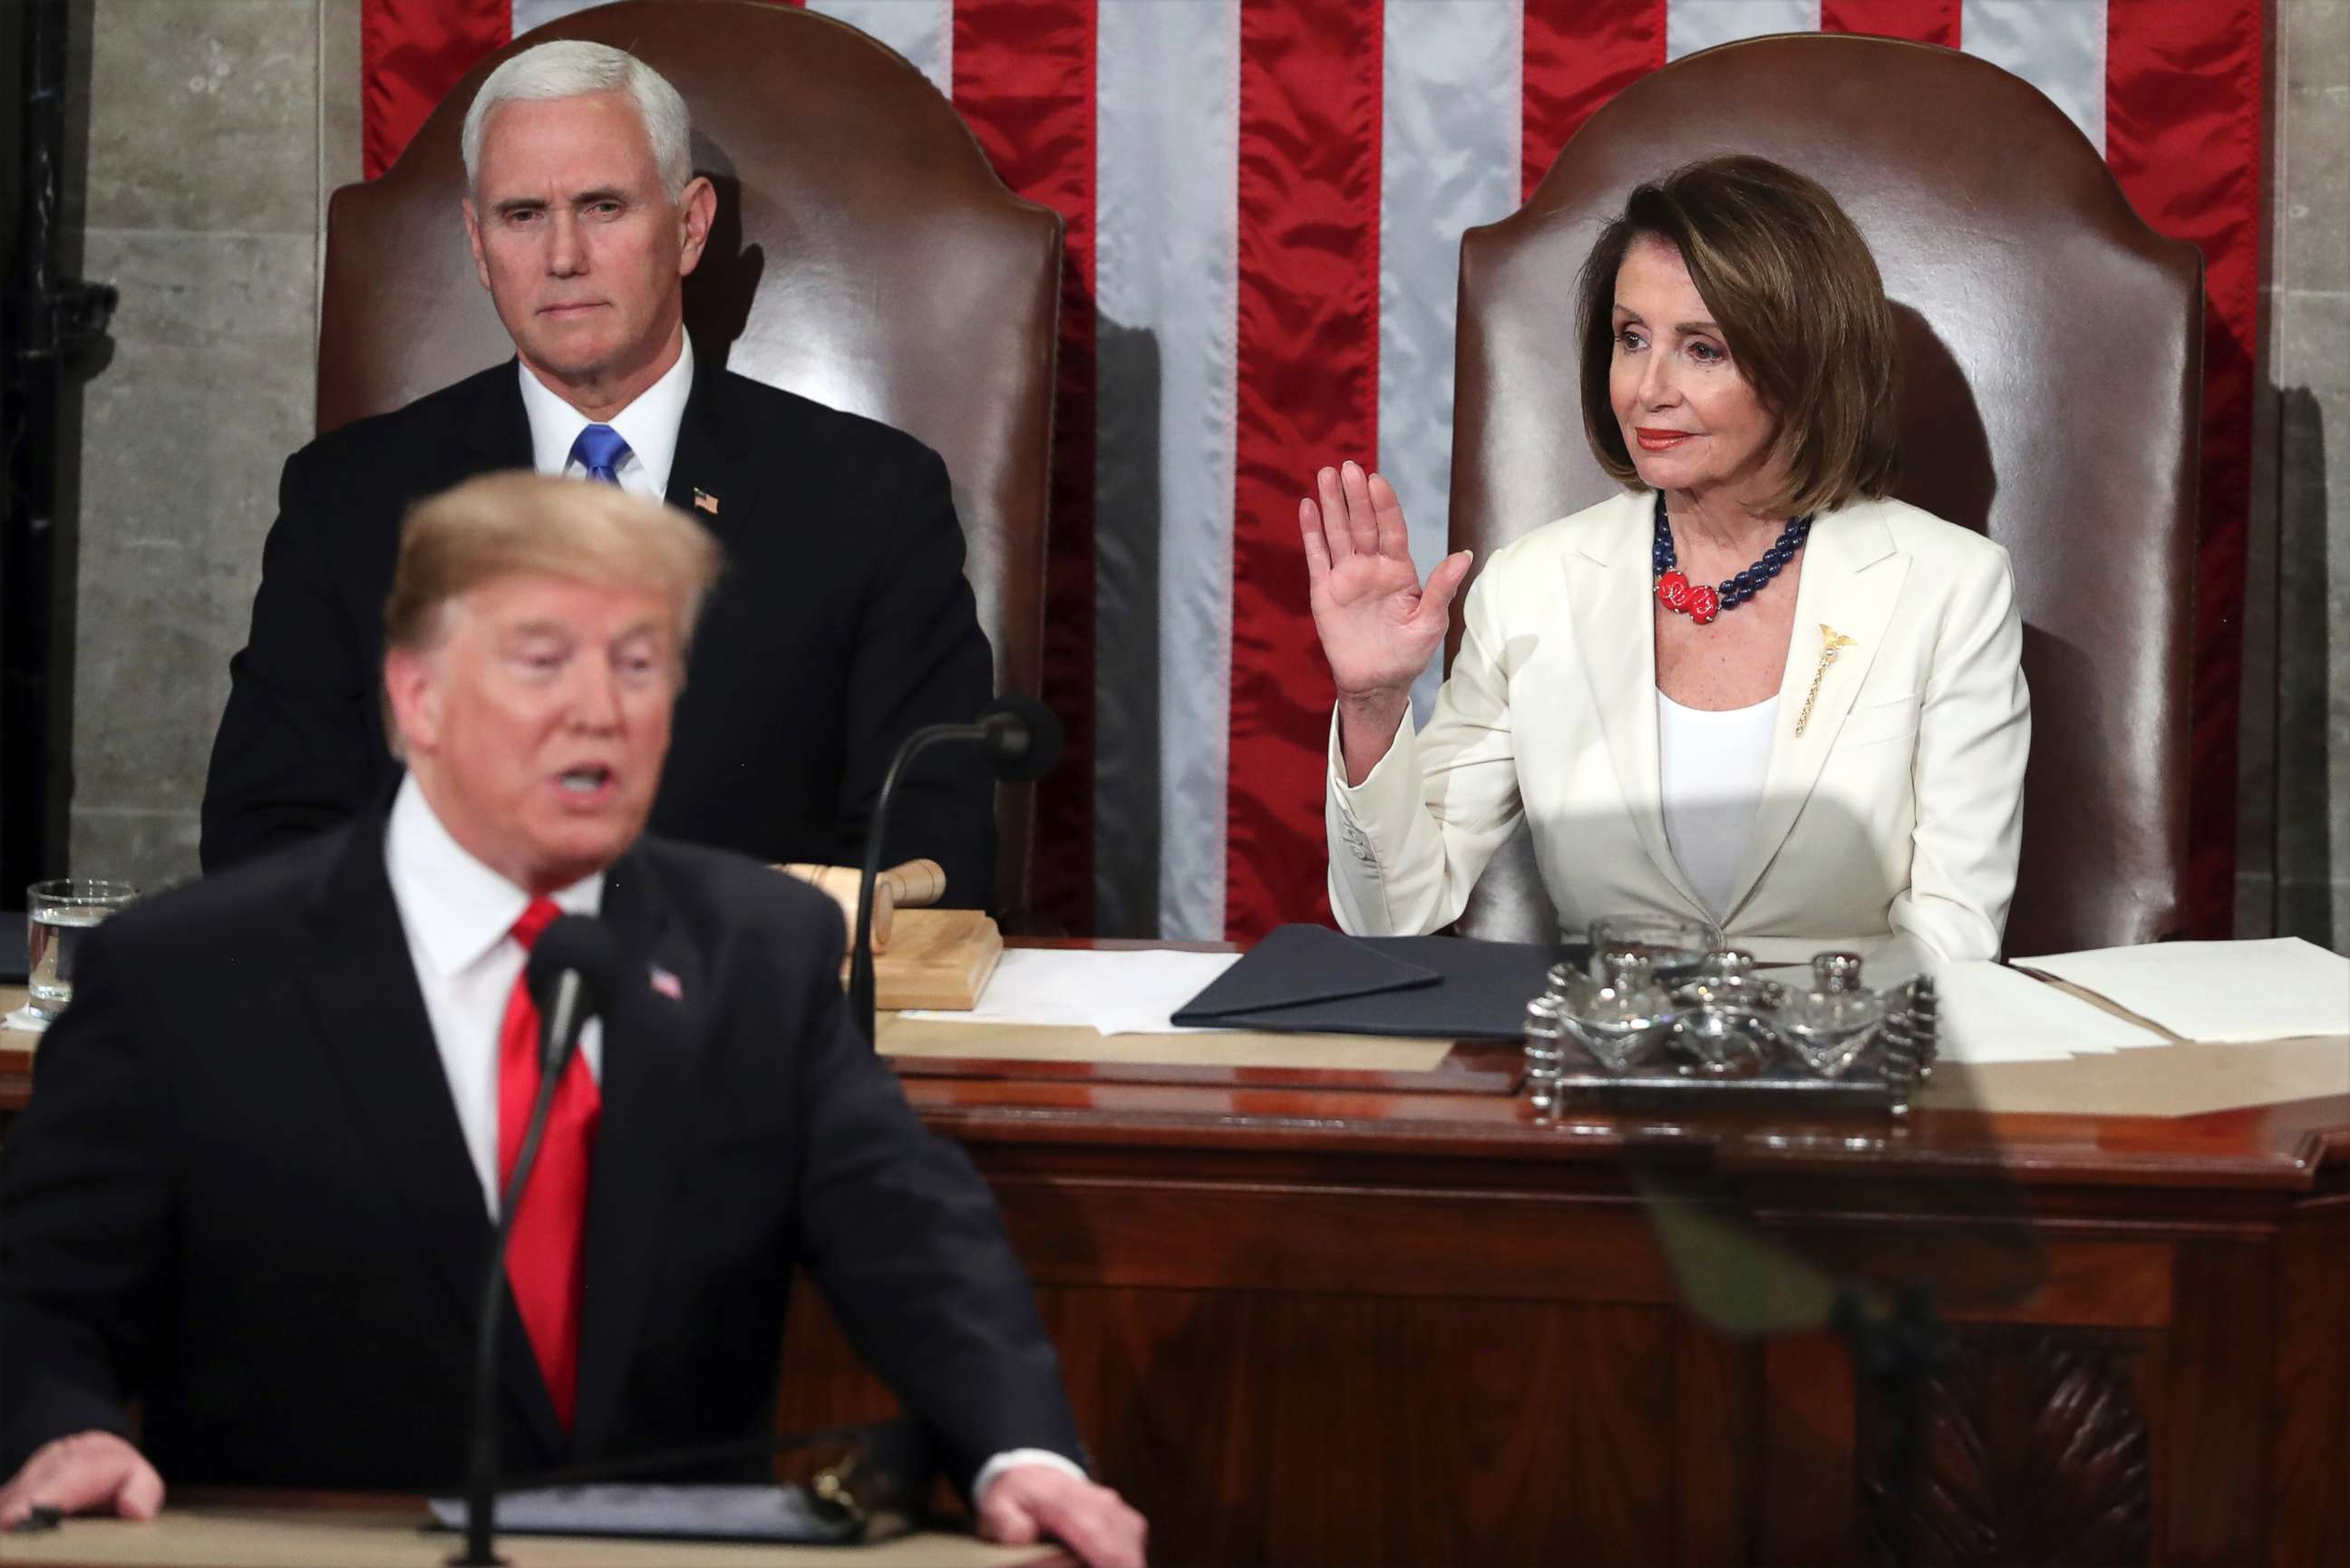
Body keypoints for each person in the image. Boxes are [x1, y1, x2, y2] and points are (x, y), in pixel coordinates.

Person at [0, 475, 1145, 1568]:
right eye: (543, 661)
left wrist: (1020, 1446)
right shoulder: (187, 978)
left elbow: (912, 1236)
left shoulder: (760, 950)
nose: (600, 709)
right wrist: (59, 1428)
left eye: (640, 665)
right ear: (416, 694)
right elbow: (37, 1297)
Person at [199, 40, 998, 906]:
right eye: (521, 215)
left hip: (746, 1015)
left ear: (689, 227)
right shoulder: (348, 500)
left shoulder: (868, 500)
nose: (564, 256)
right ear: (478, 243)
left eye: (604, 206)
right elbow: (265, 835)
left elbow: (931, 841)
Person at [1306, 156, 2028, 970]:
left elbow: (1954, 938)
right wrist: (1370, 704)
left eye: (1704, 349)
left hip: (1841, 1070)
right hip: (1610, 1062)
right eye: (1631, 338)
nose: (1649, 388)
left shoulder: (1950, 587)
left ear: (1806, 365)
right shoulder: (1534, 587)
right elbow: (1391, 916)